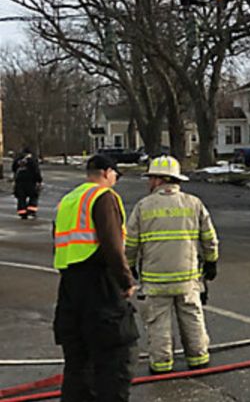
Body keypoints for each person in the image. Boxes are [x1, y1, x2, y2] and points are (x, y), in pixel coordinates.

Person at [53, 154, 138, 401]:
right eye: (116, 175)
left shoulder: (68, 200)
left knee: (78, 362)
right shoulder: (103, 197)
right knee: (115, 356)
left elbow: (58, 243)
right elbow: (112, 244)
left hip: (70, 286)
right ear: (106, 172)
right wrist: (126, 280)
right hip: (99, 284)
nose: (116, 180)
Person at [125, 155, 218, 374]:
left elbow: (130, 243)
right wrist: (211, 261)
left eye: (150, 178)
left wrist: (130, 266)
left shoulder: (143, 206)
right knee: (192, 317)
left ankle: (161, 365)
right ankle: (198, 359)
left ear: (159, 179)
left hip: (156, 280)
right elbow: (209, 238)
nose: (149, 183)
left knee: (158, 323)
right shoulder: (194, 204)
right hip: (187, 278)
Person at [13, 147, 43, 219]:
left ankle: (22, 213)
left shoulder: (17, 160)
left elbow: (14, 169)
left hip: (19, 182)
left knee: (21, 197)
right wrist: (39, 180)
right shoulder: (32, 160)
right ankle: (31, 210)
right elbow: (36, 170)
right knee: (33, 196)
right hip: (31, 182)